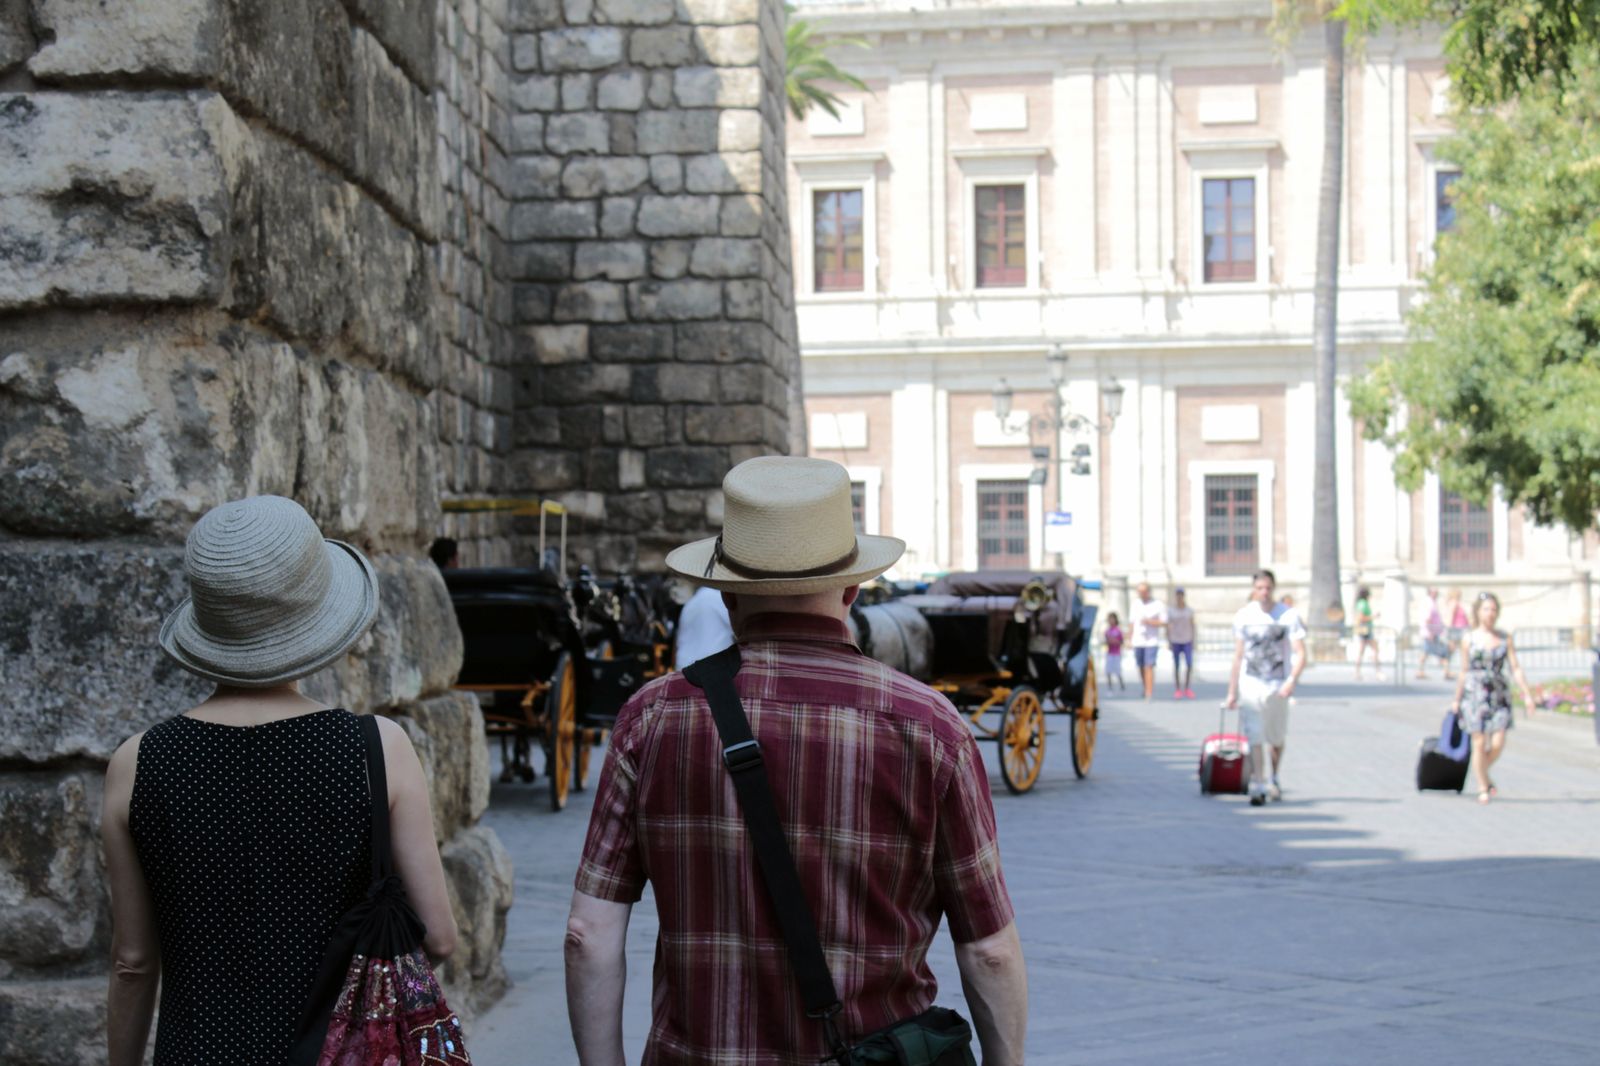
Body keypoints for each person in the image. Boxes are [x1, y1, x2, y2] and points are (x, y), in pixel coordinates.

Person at [566, 456, 1026, 1064]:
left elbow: (587, 937)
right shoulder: (931, 727)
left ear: (728, 592)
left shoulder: (650, 719)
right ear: (853, 587)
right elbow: (989, 951)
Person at [102, 496, 457, 1065]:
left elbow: (133, 963)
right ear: (316, 619)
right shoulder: (378, 749)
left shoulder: (137, 762)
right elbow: (438, 938)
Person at [1225, 569, 1307, 806]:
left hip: (1277, 684)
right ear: (1253, 589)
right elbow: (1238, 656)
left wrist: (1291, 681)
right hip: (1250, 683)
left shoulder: (1288, 616)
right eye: (1259, 588)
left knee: (1276, 736)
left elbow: (1301, 653)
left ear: (1274, 589)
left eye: (1268, 588)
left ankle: (1275, 776)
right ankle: (1259, 783)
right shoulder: (1243, 616)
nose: (1264, 593)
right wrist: (1232, 692)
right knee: (1254, 734)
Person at [1449, 592, 1536, 804]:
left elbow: (1515, 668)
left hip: (1499, 694)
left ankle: (1482, 772)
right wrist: (1456, 699)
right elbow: (1463, 670)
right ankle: (1482, 786)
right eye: (1486, 609)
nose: (1490, 613)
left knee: (1498, 742)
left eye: (1493, 609)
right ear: (1478, 612)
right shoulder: (1468, 639)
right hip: (1475, 694)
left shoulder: (1505, 638)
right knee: (1478, 742)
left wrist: (1527, 694)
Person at [673, 583, 735, 668]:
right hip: (711, 665)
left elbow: (679, 640)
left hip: (685, 666)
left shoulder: (689, 604)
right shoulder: (719, 598)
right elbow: (737, 628)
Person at [1130, 582, 1167, 701]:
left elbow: (1164, 622)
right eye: (1139, 592)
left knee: (1149, 666)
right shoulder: (1135, 604)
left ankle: (1149, 693)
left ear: (1148, 592)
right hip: (1138, 640)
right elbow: (1131, 622)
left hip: (1151, 640)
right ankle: (1145, 687)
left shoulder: (1158, 605)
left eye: (1143, 591)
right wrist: (1129, 638)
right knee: (1141, 666)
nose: (1141, 594)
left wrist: (1150, 622)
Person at [1416, 587, 1453, 680]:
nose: (1437, 594)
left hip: (1432, 632)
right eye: (1435, 592)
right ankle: (1446, 671)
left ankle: (1421, 671)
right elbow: (1428, 619)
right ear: (1431, 593)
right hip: (1430, 633)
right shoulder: (1429, 603)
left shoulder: (1431, 602)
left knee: (1426, 652)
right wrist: (1430, 632)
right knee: (1442, 652)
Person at [1166, 588, 1196, 699]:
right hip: (1175, 640)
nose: (1179, 597)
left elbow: (1193, 625)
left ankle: (1187, 688)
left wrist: (1194, 640)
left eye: (1181, 595)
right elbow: (1168, 626)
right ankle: (1178, 689)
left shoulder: (1189, 610)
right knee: (1177, 665)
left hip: (1187, 639)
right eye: (1177, 595)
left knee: (1189, 664)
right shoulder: (1171, 611)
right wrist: (1168, 640)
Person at [1353, 584, 1381, 681]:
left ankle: (1358, 672)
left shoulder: (1360, 603)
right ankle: (1377, 672)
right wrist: (1374, 617)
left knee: (1364, 651)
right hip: (1364, 629)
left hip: (1363, 629)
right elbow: (1361, 618)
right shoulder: (1363, 603)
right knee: (1374, 649)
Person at [1104, 612, 1126, 693]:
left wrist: (1115, 641)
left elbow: (1122, 642)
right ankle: (1110, 686)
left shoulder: (1118, 631)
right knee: (1108, 671)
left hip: (1116, 653)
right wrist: (1108, 641)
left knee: (1118, 671)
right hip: (1109, 652)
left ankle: (1121, 684)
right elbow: (1105, 641)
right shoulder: (1107, 631)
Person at [1446, 587, 1470, 658]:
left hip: (1461, 628)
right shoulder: (1454, 603)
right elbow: (1451, 615)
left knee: (1463, 647)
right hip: (1457, 629)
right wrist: (1449, 629)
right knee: (1453, 648)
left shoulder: (1457, 603)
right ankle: (1445, 661)